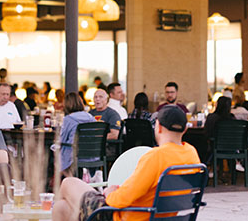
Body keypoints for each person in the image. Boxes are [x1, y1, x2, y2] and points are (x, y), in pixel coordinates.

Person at [52, 107, 200, 221]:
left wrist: (109, 193)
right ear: (185, 128)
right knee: (62, 207)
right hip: (162, 216)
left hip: (125, 216)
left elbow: (123, 199)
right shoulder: (191, 154)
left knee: (68, 182)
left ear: (159, 127)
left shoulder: (156, 156)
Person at [56, 93, 97, 175]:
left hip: (74, 153)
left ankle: (62, 181)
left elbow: (62, 139)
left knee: (52, 152)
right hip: (92, 154)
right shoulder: (91, 117)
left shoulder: (68, 119)